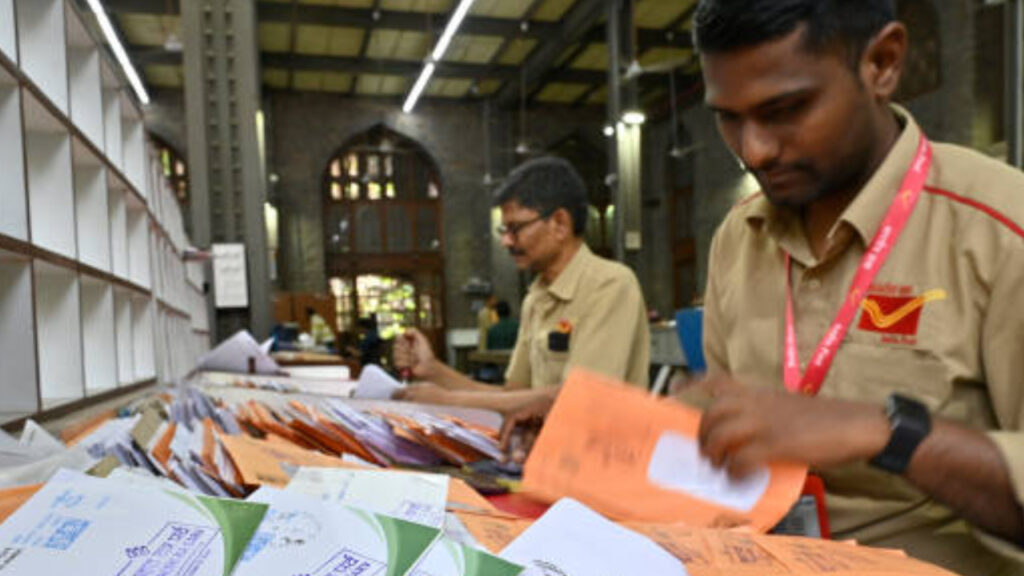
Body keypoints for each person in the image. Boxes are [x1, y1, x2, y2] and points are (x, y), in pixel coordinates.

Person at [691, 1, 1024, 573]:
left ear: (882, 63)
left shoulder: (999, 231)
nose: (754, 150)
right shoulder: (738, 239)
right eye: (729, 118)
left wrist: (886, 432)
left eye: (785, 109)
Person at [394, 157, 650, 414]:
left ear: (560, 224)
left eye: (515, 228)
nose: (506, 241)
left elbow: (581, 400)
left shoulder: (609, 285)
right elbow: (514, 397)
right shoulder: (536, 298)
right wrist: (434, 371)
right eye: (504, 230)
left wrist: (449, 401)